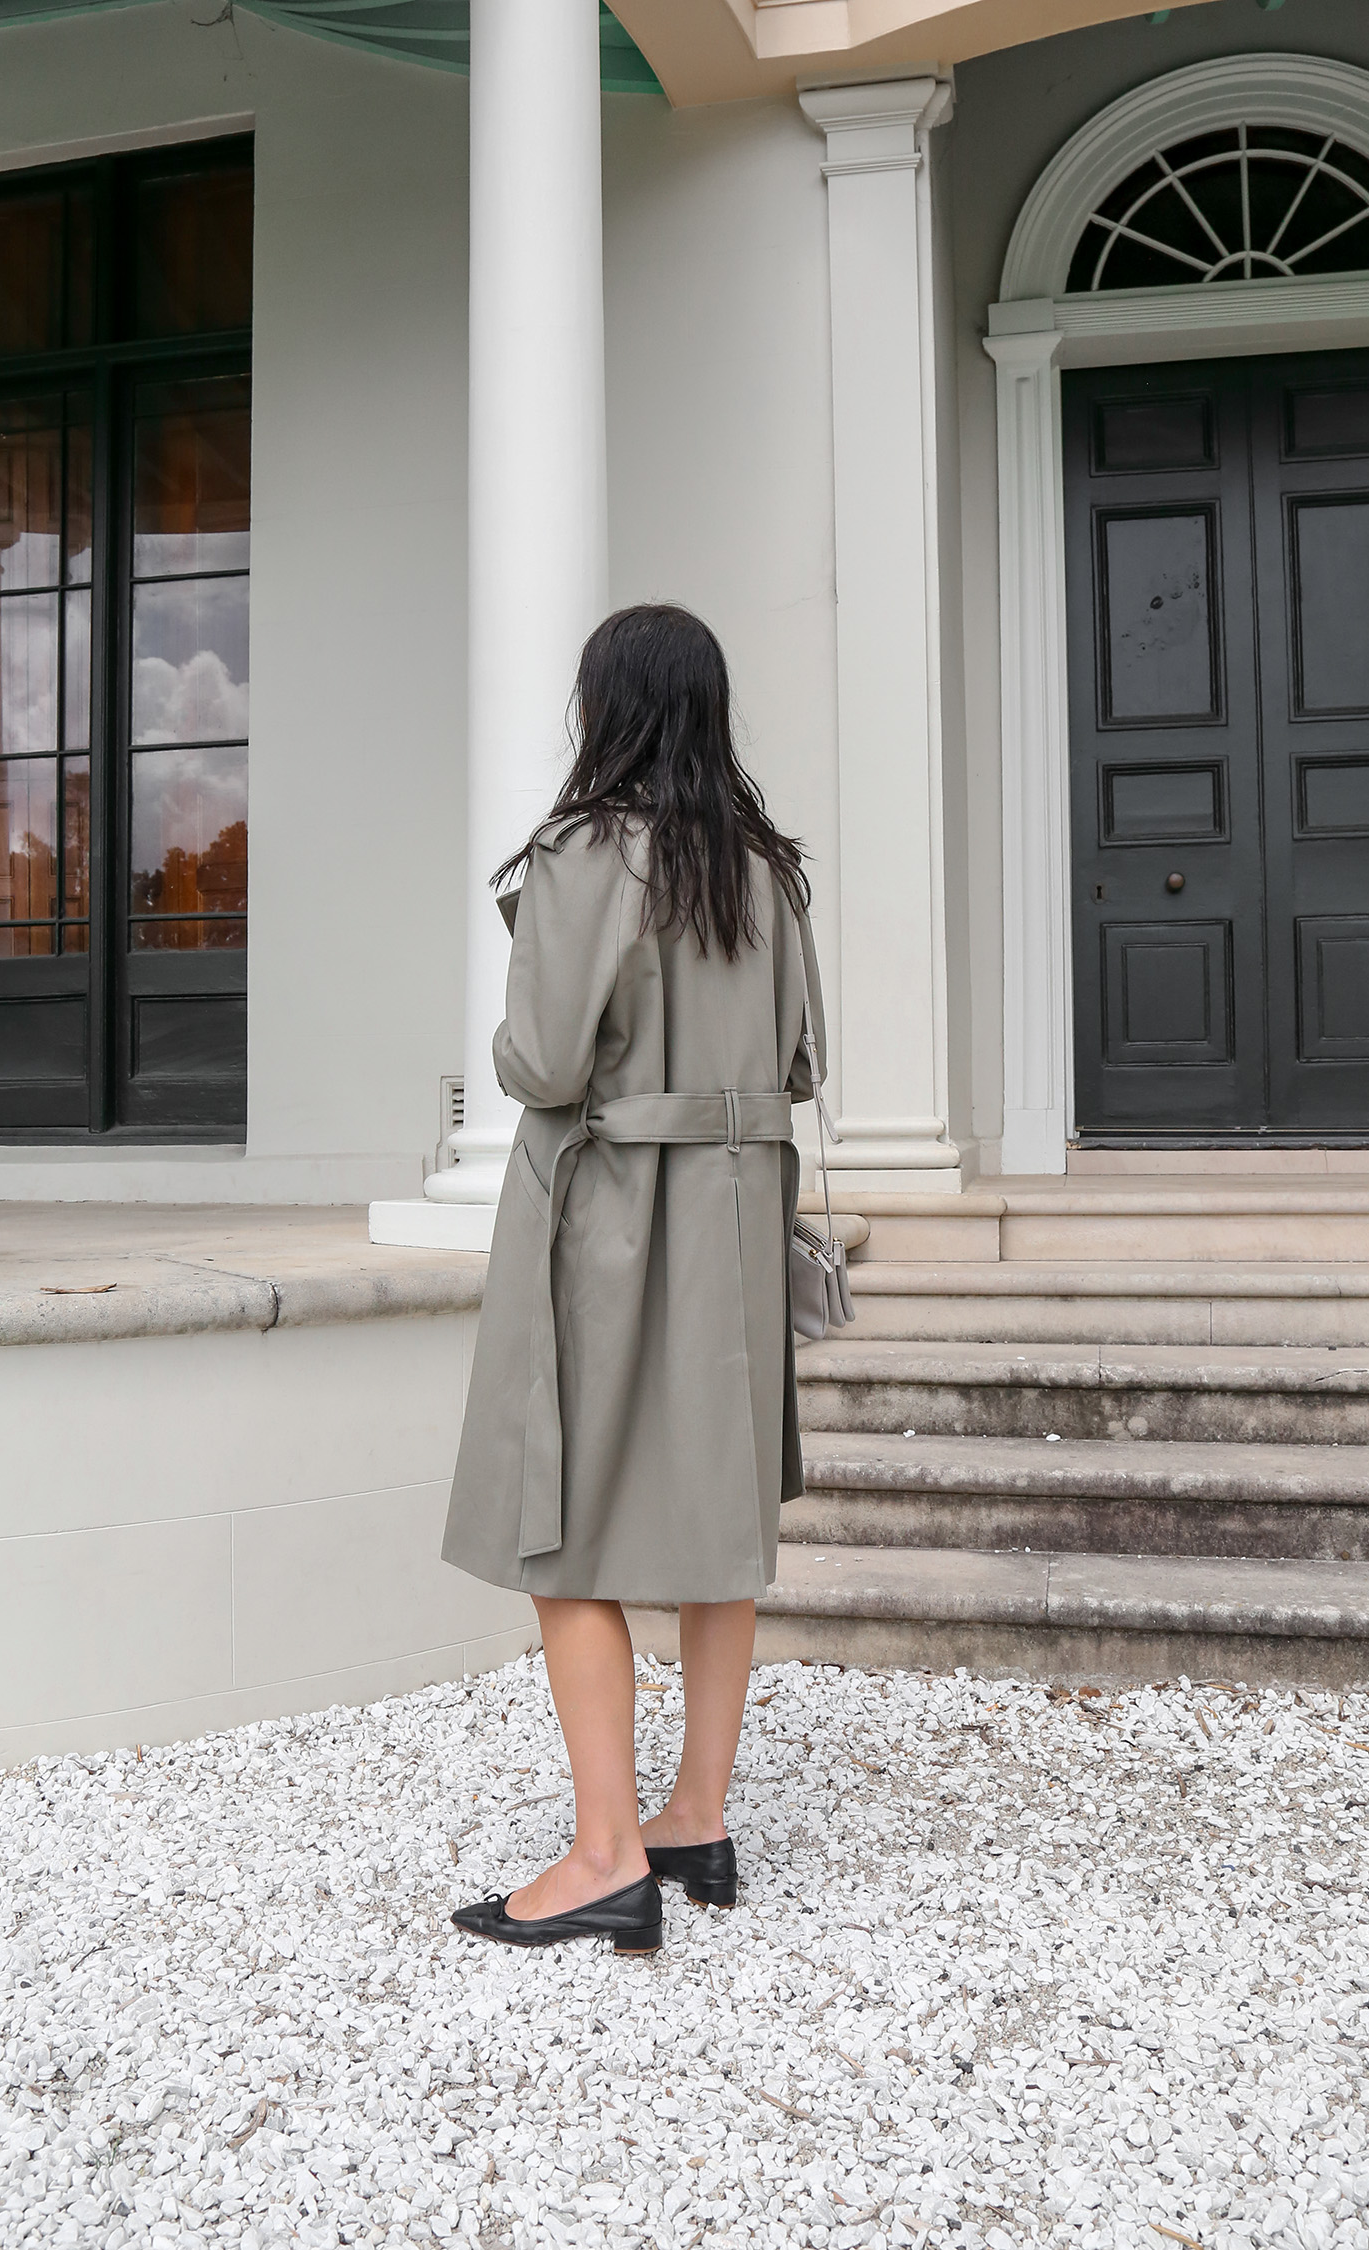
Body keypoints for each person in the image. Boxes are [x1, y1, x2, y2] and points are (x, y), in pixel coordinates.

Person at [443, 603, 827, 1956]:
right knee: (718, 1521)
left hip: (610, 1212)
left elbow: (545, 1064)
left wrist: (509, 1035)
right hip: (734, 1216)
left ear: (608, 706)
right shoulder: (768, 870)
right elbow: (797, 1064)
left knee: (561, 1523)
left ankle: (609, 1851)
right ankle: (694, 1813)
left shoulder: (589, 853)